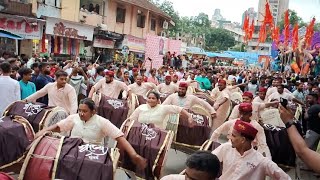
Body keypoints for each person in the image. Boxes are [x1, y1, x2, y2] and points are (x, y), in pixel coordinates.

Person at [34, 98, 147, 169]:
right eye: (79, 110)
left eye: (85, 111)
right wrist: (43, 132)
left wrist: (134, 155)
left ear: (93, 111)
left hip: (92, 158)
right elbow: (58, 127)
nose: (81, 114)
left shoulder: (102, 122)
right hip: (72, 153)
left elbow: (120, 137)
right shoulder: (73, 118)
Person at [212, 120, 290, 180]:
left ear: (243, 140)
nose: (230, 138)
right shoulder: (226, 148)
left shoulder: (260, 161)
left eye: (233, 136)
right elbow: (208, 161)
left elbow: (284, 178)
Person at [279, 105, 320, 173]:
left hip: (313, 131)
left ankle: (302, 166)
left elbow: (302, 151)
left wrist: (288, 122)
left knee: (308, 148)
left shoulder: (315, 108)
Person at [128, 91, 195, 129]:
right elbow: (131, 120)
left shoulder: (163, 108)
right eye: (149, 98)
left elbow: (178, 109)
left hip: (157, 137)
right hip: (139, 134)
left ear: (158, 100)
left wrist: (189, 116)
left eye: (153, 98)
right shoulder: (141, 107)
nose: (151, 100)